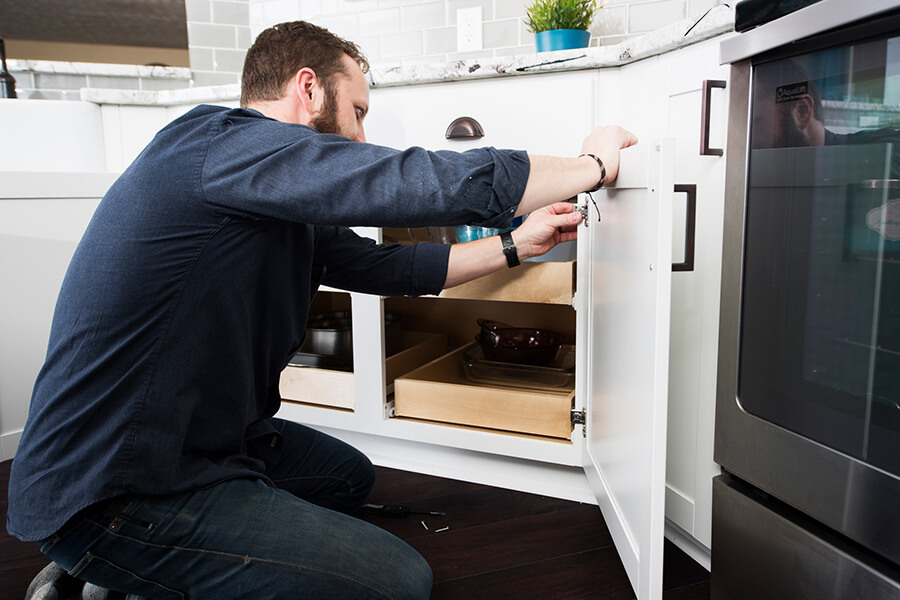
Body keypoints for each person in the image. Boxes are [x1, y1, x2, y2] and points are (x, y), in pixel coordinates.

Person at [7, 20, 637, 600]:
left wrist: (514, 245)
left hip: (204, 441)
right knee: (398, 582)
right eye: (357, 110)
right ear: (307, 89)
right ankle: (112, 566)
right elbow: (419, 180)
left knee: (345, 476)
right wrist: (593, 163)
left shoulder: (271, 195)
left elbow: (389, 268)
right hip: (118, 480)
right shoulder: (222, 146)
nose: (362, 135)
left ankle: (137, 565)